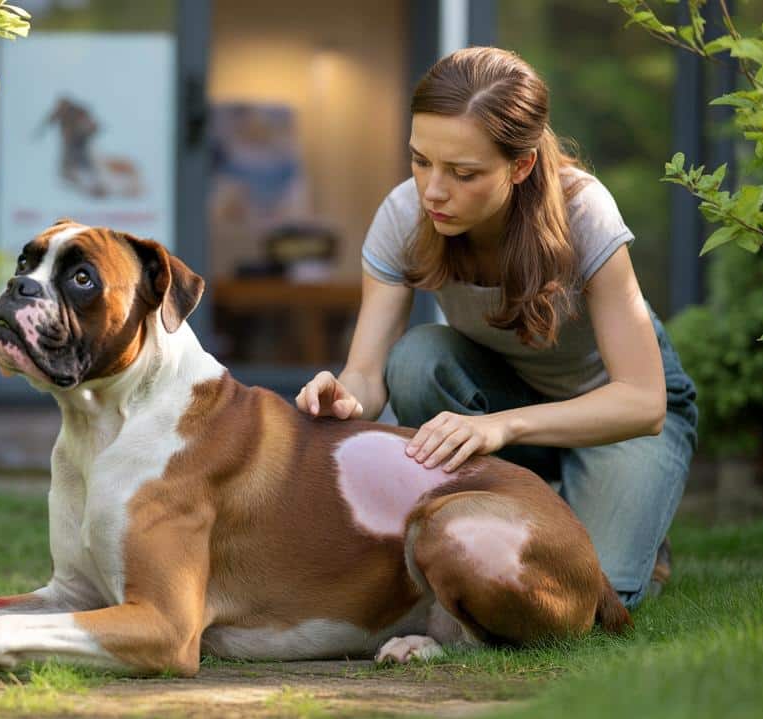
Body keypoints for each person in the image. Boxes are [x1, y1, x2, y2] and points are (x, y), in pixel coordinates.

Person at [294, 46, 697, 608]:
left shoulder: (585, 213)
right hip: (501, 394)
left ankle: (634, 527)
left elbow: (644, 402)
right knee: (417, 359)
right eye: (420, 160)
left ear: (521, 165)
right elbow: (367, 372)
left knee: (588, 597)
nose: (433, 190)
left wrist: (503, 428)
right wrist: (344, 396)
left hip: (611, 417)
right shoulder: (405, 216)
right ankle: (493, 520)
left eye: (463, 173)